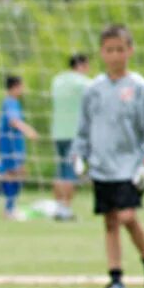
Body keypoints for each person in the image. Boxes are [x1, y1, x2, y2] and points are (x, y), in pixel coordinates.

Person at [72, 23, 144, 288]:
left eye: (120, 50)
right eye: (109, 50)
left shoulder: (139, 88)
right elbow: (83, 128)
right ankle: (116, 278)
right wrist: (79, 155)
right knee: (110, 221)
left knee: (127, 216)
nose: (115, 55)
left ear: (130, 51)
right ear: (102, 53)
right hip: (102, 166)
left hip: (128, 166)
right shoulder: (93, 90)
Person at [50, 54, 92, 220]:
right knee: (70, 172)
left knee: (60, 170)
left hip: (58, 132)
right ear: (82, 65)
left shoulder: (57, 81)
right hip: (74, 133)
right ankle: (65, 209)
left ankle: (58, 207)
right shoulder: (83, 83)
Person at [0, 75, 39, 220]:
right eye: (22, 86)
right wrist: (28, 130)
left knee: (19, 173)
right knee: (13, 174)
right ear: (15, 87)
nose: (23, 90)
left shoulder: (12, 102)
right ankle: (9, 209)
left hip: (14, 144)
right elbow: (13, 121)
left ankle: (10, 207)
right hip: (10, 146)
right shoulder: (10, 102)